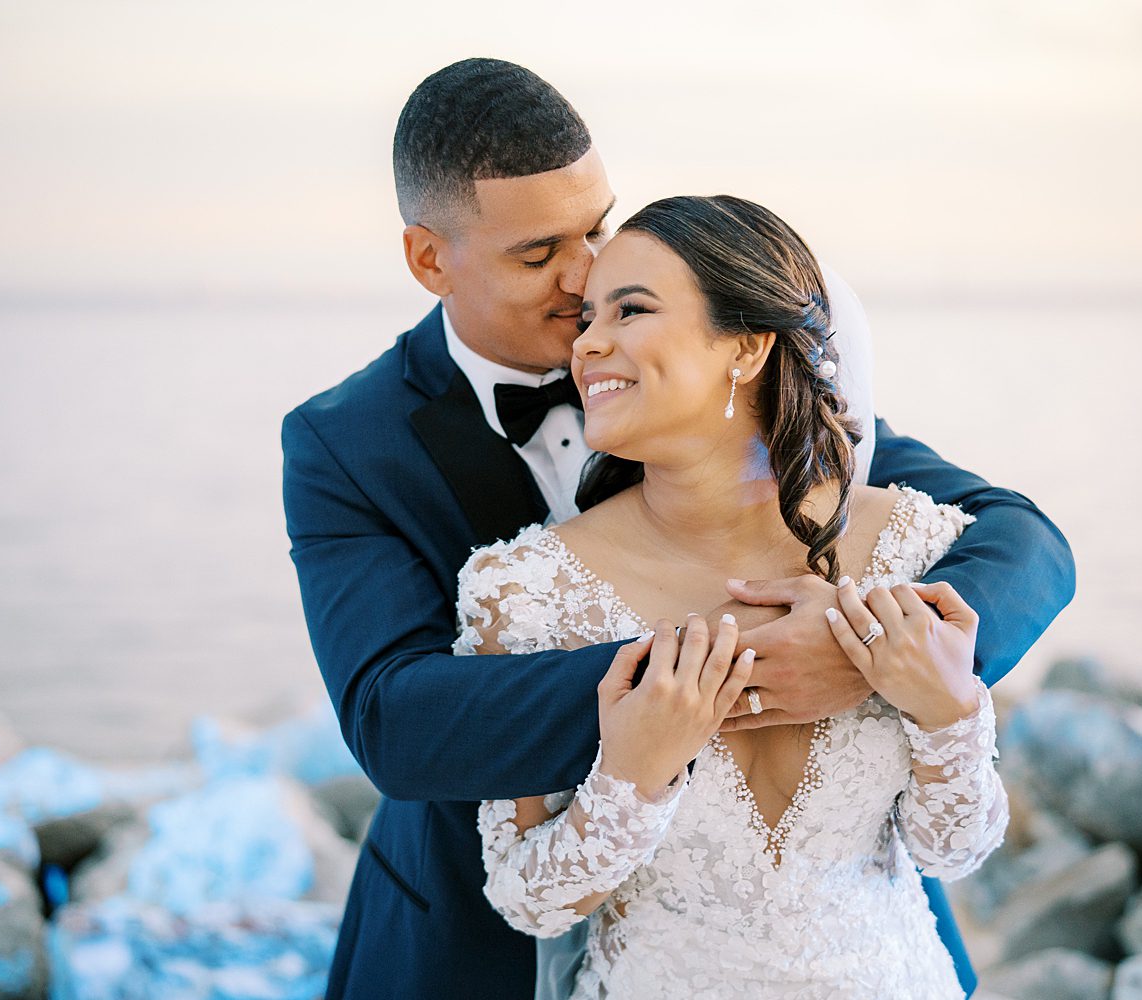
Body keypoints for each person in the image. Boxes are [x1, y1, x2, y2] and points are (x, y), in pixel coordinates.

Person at [280, 58, 1075, 1000]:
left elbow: (1023, 542)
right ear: (429, 260)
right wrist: (715, 674)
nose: (584, 283)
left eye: (598, 229)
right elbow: (392, 719)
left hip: (851, 936)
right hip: (473, 932)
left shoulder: (737, 388)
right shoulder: (346, 442)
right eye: (540, 255)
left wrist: (877, 647)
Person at [464, 194, 1008, 998]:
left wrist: (948, 710)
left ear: (748, 347)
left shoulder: (914, 549)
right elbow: (527, 899)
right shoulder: (524, 591)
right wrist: (631, 775)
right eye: (586, 320)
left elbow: (952, 851)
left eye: (631, 309)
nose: (587, 345)